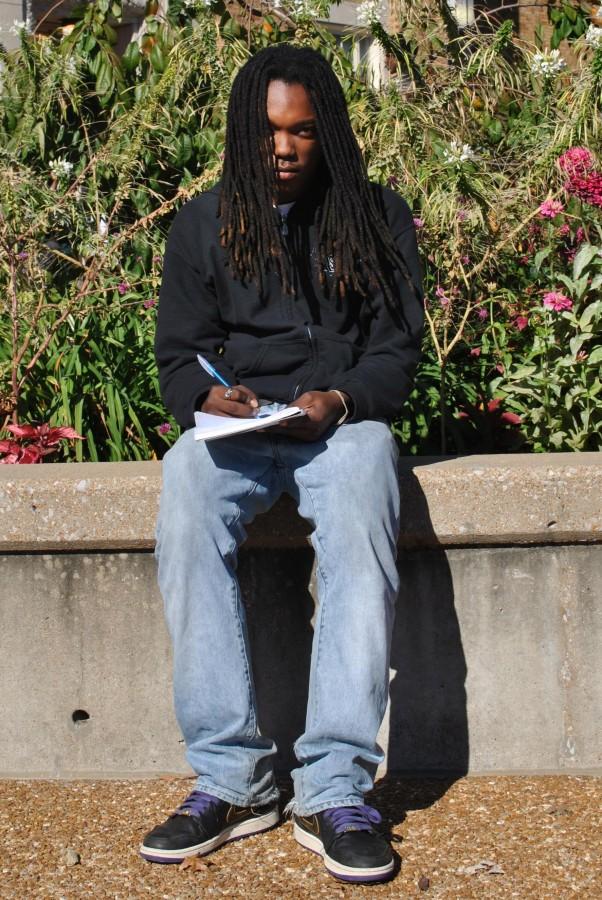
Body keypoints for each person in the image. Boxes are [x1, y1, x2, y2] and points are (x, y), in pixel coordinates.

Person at [139, 43, 424, 884]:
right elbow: (178, 357)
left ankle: (334, 786)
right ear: (244, 134)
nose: (285, 149)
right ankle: (232, 778)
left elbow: (397, 352)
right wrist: (206, 398)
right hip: (243, 429)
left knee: (369, 473)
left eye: (302, 132)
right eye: (269, 133)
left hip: (336, 423)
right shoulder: (203, 222)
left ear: (327, 131)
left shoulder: (376, 216)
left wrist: (338, 402)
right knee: (185, 480)